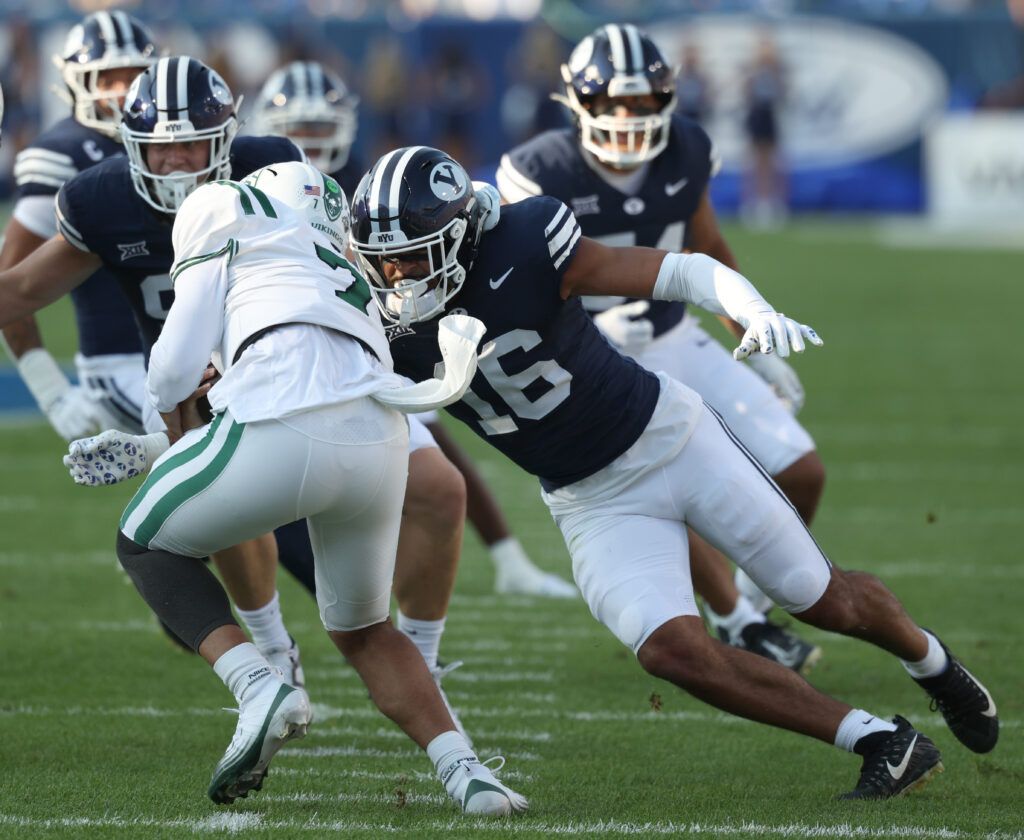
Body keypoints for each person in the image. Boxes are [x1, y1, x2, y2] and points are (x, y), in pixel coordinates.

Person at [349, 145, 999, 799]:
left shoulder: (525, 242)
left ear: (462, 234)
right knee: (670, 651)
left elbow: (681, 269)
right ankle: (881, 742)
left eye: (413, 255)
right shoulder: (373, 319)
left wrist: (753, 310)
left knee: (822, 599)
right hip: (588, 498)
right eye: (382, 259)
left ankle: (931, 662)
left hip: (671, 438)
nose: (395, 275)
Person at [105, 160, 527, 813]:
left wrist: (160, 426)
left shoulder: (223, 207)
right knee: (366, 631)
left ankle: (259, 684)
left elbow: (175, 368)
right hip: (380, 436)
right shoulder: (342, 257)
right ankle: (469, 775)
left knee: (143, 544)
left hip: (280, 417)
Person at [497, 24, 823, 669]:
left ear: (667, 98)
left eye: (643, 101)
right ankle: (739, 620)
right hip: (589, 359)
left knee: (801, 470)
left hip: (674, 333)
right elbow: (520, 286)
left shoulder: (686, 149)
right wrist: (588, 332)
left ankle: (747, 608)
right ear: (578, 102)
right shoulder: (539, 171)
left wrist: (753, 339)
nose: (628, 116)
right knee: (661, 486)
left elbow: (709, 248)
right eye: (613, 102)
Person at [0, 55, 313, 683]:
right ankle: (274, 649)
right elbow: (23, 290)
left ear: (225, 138)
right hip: (179, 380)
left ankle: (419, 647)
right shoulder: (102, 199)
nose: (175, 162)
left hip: (283, 356)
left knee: (433, 487)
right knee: (220, 491)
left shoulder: (271, 171)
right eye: (160, 148)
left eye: (192, 145)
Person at [254, 59, 576, 599]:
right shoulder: (250, 189)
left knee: (435, 461)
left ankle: (503, 560)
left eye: (321, 128)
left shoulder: (360, 183)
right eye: (298, 130)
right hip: (287, 345)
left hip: (368, 335)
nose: (311, 142)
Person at [2, 11, 156, 440]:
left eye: (133, 76)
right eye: (107, 78)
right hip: (120, 365)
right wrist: (51, 390)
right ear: (77, 81)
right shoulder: (62, 154)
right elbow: (11, 283)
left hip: (193, 355)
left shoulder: (174, 146)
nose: (123, 91)